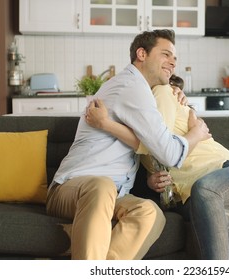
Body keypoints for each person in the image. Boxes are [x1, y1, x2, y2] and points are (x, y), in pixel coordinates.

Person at [47, 29, 211, 260]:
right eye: (165, 54)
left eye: (175, 58)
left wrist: (175, 91)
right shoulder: (130, 87)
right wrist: (197, 132)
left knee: (150, 213)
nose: (173, 62)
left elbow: (145, 145)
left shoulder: (144, 91)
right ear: (141, 54)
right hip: (70, 188)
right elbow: (170, 154)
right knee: (101, 186)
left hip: (114, 193)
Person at [86, 74, 229, 260]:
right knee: (225, 220)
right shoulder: (135, 123)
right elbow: (143, 170)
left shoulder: (162, 95)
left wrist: (106, 124)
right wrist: (149, 182)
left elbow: (162, 144)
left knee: (205, 190)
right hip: (189, 197)